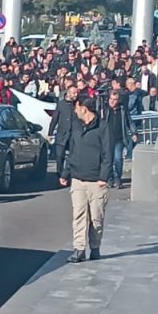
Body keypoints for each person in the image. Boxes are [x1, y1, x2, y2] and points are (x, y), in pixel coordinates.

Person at [61, 97, 112, 263]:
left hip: (96, 180)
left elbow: (107, 154)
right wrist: (65, 173)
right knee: (79, 215)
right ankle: (79, 249)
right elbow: (72, 151)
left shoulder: (103, 127)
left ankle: (95, 247)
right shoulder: (76, 126)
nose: (75, 111)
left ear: (84, 108)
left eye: (76, 108)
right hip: (78, 178)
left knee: (96, 218)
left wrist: (103, 177)